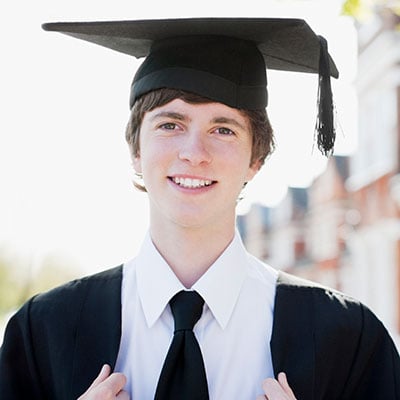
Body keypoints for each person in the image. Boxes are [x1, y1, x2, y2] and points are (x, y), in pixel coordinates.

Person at [0, 17, 399, 400]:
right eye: (170, 125)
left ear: (255, 159)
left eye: (223, 129)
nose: (194, 153)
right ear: (136, 151)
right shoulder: (44, 331)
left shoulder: (347, 338)